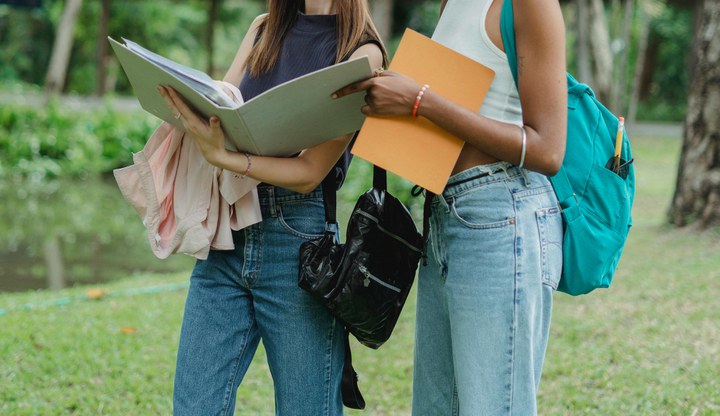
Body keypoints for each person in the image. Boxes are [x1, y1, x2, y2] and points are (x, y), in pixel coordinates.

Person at [333, 0, 566, 414]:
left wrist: (420, 101)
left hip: (501, 215)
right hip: (444, 213)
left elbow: (548, 149)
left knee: (493, 405)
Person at [157, 1, 385, 414]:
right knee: (193, 406)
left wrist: (226, 158)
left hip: (298, 240)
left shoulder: (362, 53)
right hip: (228, 232)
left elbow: (310, 170)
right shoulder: (264, 28)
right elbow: (221, 110)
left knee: (306, 407)